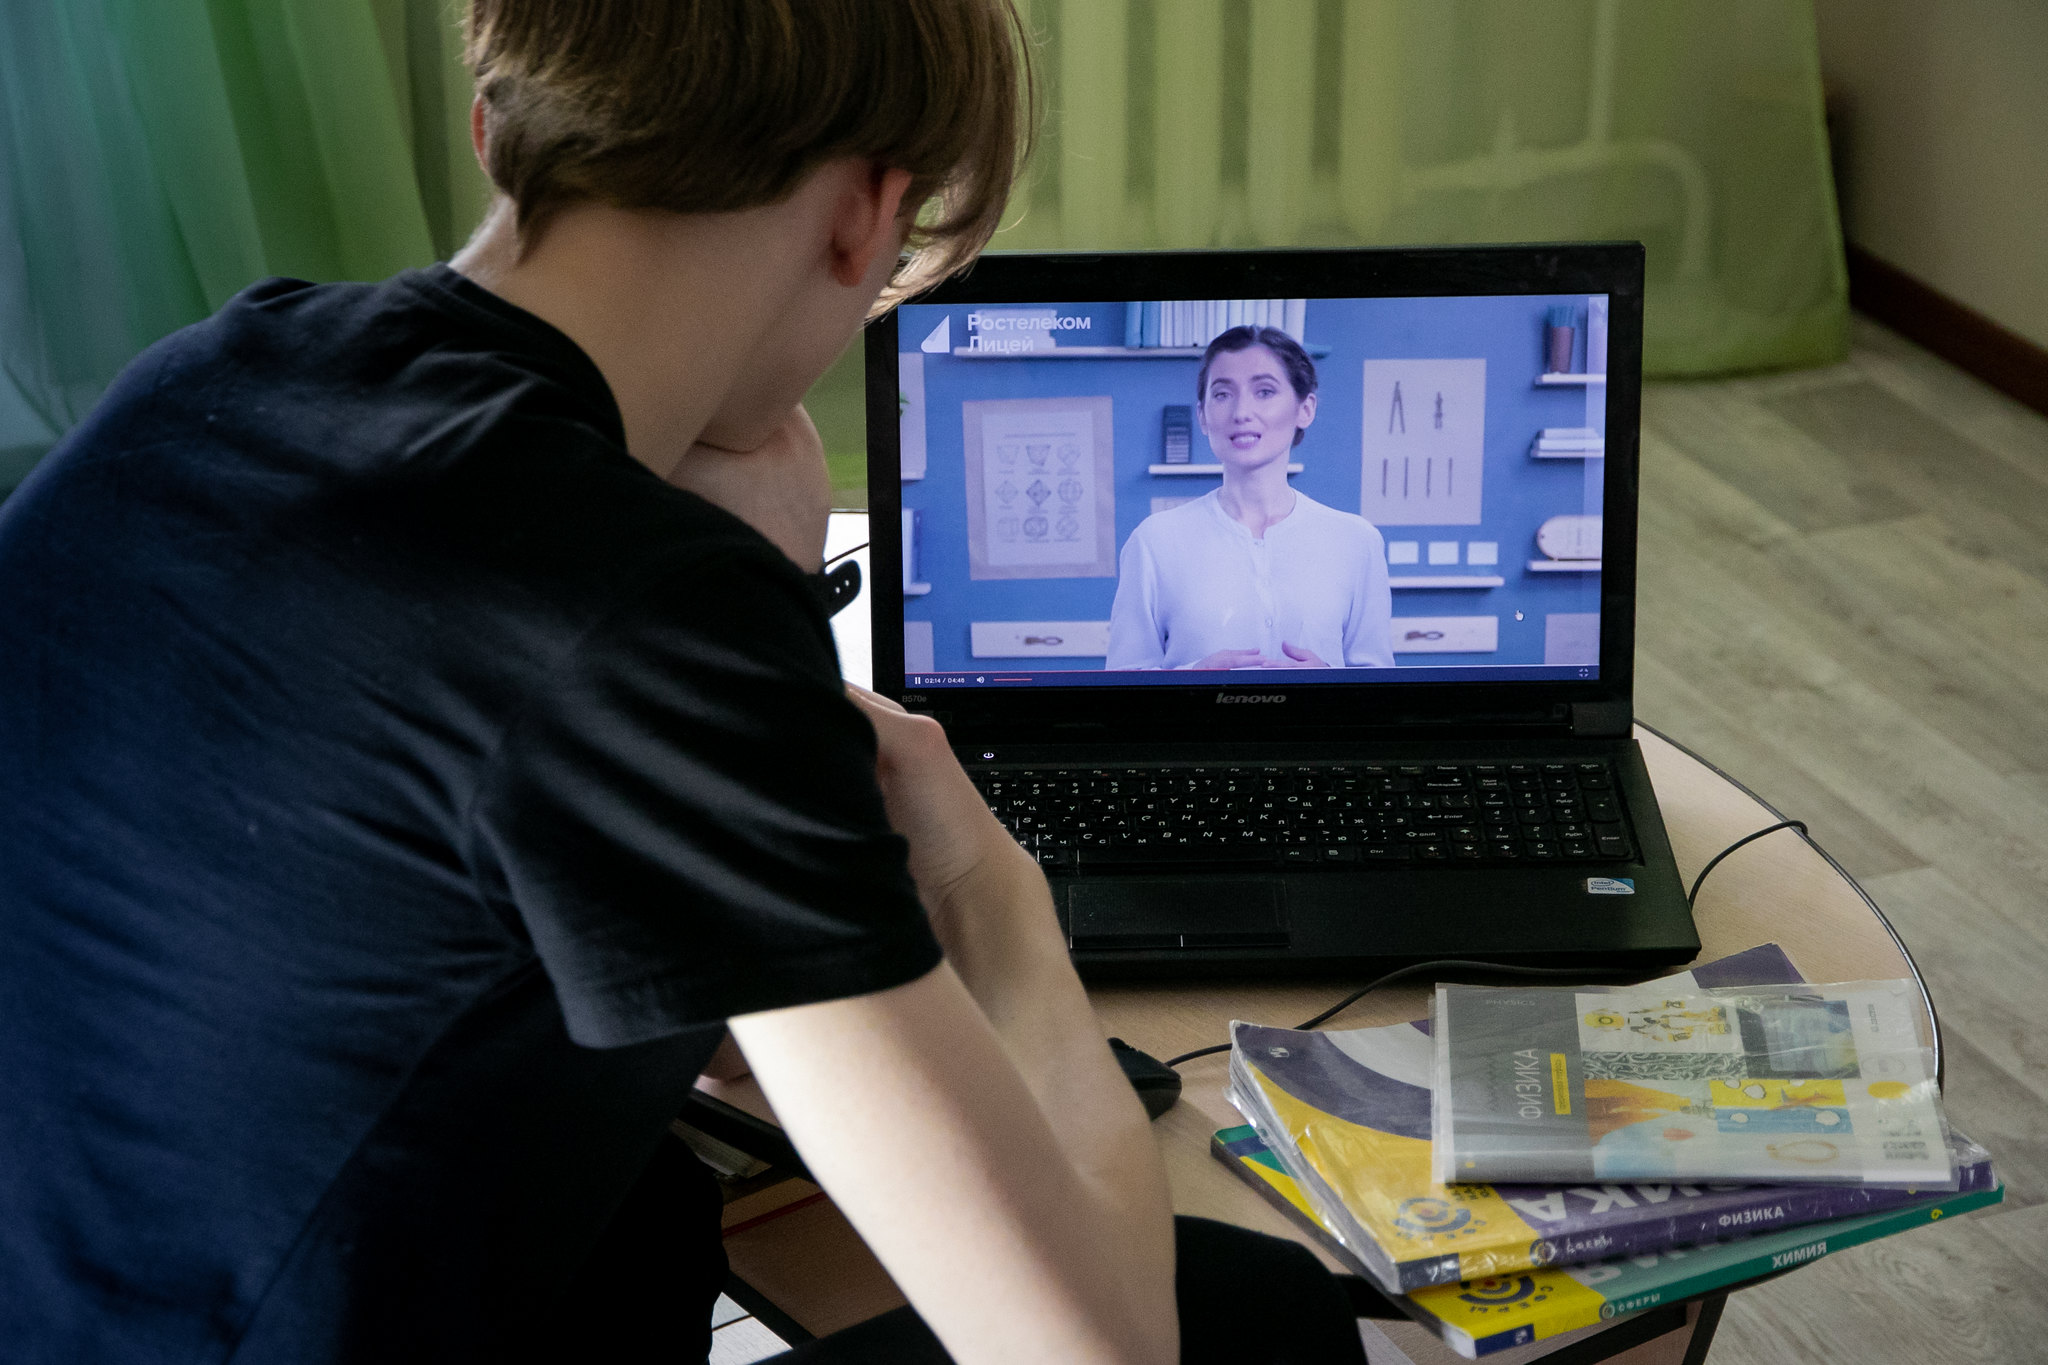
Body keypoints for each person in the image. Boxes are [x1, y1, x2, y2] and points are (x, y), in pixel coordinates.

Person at [0, 4, 1368, 1364]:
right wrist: (990, 889)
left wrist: (755, 602)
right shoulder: (639, 603)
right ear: (865, 216)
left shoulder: (205, 376)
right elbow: (1091, 1349)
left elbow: (664, 993)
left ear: (497, 135)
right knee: (1248, 1310)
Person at [1106, 326, 1394, 672]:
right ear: (1202, 415)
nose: (1241, 412)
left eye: (1264, 391)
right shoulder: (1154, 542)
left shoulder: (1356, 541)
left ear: (1305, 409)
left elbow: (1379, 684)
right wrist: (1190, 680)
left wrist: (1329, 684)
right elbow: (1121, 687)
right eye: (1222, 394)